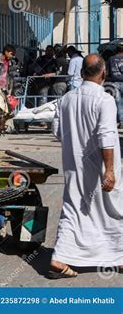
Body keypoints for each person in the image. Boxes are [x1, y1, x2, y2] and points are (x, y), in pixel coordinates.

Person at [50, 54, 122, 279]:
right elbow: (106, 136)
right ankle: (116, 256)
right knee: (113, 210)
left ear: (81, 73)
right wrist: (109, 170)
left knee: (73, 210)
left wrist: (75, 144)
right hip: (100, 165)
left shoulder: (66, 100)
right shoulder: (105, 99)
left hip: (74, 166)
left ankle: (61, 258)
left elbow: (57, 132)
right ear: (103, 73)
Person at [107, 44, 123, 127]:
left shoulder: (111, 59)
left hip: (115, 82)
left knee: (118, 102)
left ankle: (121, 121)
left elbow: (108, 72)